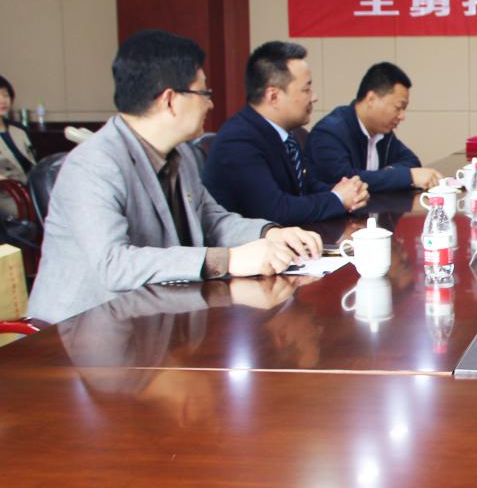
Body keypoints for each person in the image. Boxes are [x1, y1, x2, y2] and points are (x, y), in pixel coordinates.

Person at [27, 29, 323, 324]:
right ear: (170, 100)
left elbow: (212, 221)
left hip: (154, 319)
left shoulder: (182, 154)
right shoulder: (93, 164)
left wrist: (270, 234)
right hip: (79, 332)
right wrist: (228, 260)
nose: (210, 104)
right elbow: (113, 264)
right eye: (204, 94)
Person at [204, 41, 369, 225]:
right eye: (306, 89)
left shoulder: (289, 135)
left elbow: (305, 188)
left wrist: (348, 191)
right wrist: (337, 199)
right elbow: (276, 210)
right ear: (273, 96)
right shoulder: (238, 140)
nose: (314, 97)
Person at [307, 62, 442, 191]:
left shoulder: (382, 132)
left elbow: (411, 161)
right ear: (371, 99)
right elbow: (345, 180)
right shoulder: (329, 133)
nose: (402, 116)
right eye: (398, 107)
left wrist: (388, 174)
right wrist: (406, 176)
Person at [0, 75, 38, 216]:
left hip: (29, 190)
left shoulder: (19, 130)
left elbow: (35, 161)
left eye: (6, 95)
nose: (3, 100)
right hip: (5, 195)